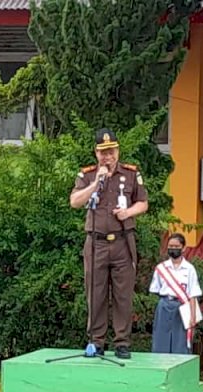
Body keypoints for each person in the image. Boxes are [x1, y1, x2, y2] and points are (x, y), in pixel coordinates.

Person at [69, 128, 149, 359]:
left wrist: (128, 212)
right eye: (103, 153)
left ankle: (122, 342)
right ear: (96, 153)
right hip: (96, 243)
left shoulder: (131, 174)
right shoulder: (87, 175)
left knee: (123, 294)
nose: (108, 157)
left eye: (111, 151)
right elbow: (74, 201)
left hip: (123, 241)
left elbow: (143, 202)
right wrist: (95, 184)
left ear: (118, 150)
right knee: (95, 292)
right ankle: (96, 341)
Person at [149, 233, 202, 354]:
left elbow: (193, 294)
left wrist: (192, 316)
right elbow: (155, 290)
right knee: (160, 339)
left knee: (181, 341)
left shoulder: (189, 269)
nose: (173, 249)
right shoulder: (161, 268)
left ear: (183, 248)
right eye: (170, 246)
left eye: (176, 246)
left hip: (183, 306)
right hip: (164, 304)